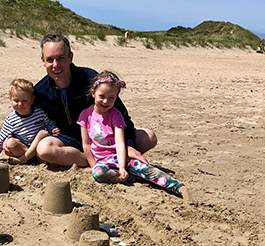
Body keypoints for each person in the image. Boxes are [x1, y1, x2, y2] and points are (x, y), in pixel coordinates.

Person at [33, 33, 157, 167]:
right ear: (43, 60)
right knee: (44, 149)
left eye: (61, 58)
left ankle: (105, 157)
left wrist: (129, 145)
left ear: (70, 57)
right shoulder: (40, 91)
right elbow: (28, 118)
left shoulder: (90, 79)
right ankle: (91, 160)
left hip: (102, 137)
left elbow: (121, 114)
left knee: (149, 137)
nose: (56, 65)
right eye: (50, 59)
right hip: (68, 140)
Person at [77, 70, 193, 203]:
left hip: (118, 157)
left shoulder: (116, 115)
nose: (105, 101)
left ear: (116, 98)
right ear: (93, 93)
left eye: (111, 98)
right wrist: (93, 165)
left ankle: (179, 187)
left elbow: (120, 143)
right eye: (101, 96)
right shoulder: (85, 116)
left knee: (147, 169)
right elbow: (86, 145)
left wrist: (121, 166)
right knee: (98, 173)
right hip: (102, 163)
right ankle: (133, 177)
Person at [0, 78, 60, 166]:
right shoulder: (10, 120)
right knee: (10, 143)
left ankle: (25, 159)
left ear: (32, 100)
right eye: (16, 101)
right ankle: (33, 157)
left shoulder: (39, 113)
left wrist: (53, 129)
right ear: (10, 100)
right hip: (23, 149)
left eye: (24, 101)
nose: (20, 104)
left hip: (38, 146)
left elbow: (49, 124)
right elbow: (0, 140)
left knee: (43, 133)